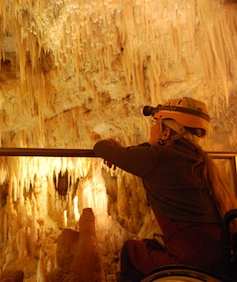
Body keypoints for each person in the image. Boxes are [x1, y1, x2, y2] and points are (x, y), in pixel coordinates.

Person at [92, 97, 237, 281]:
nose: (152, 128)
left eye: (155, 123)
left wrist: (112, 146)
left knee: (131, 250)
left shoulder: (157, 158)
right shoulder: (198, 158)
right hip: (221, 255)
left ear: (166, 133)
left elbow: (101, 147)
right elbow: (145, 155)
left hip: (191, 260)